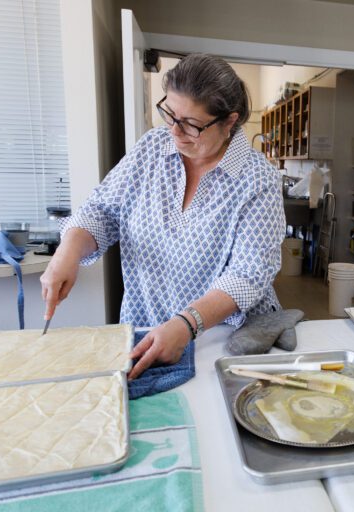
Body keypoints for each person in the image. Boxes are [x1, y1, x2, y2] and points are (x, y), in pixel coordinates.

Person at [40, 53, 285, 380]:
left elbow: (248, 274)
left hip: (223, 339)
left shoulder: (258, 180)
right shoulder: (152, 148)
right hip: (145, 324)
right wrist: (68, 251)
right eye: (169, 114)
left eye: (192, 125)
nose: (175, 131)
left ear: (229, 122)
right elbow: (102, 211)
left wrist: (187, 324)